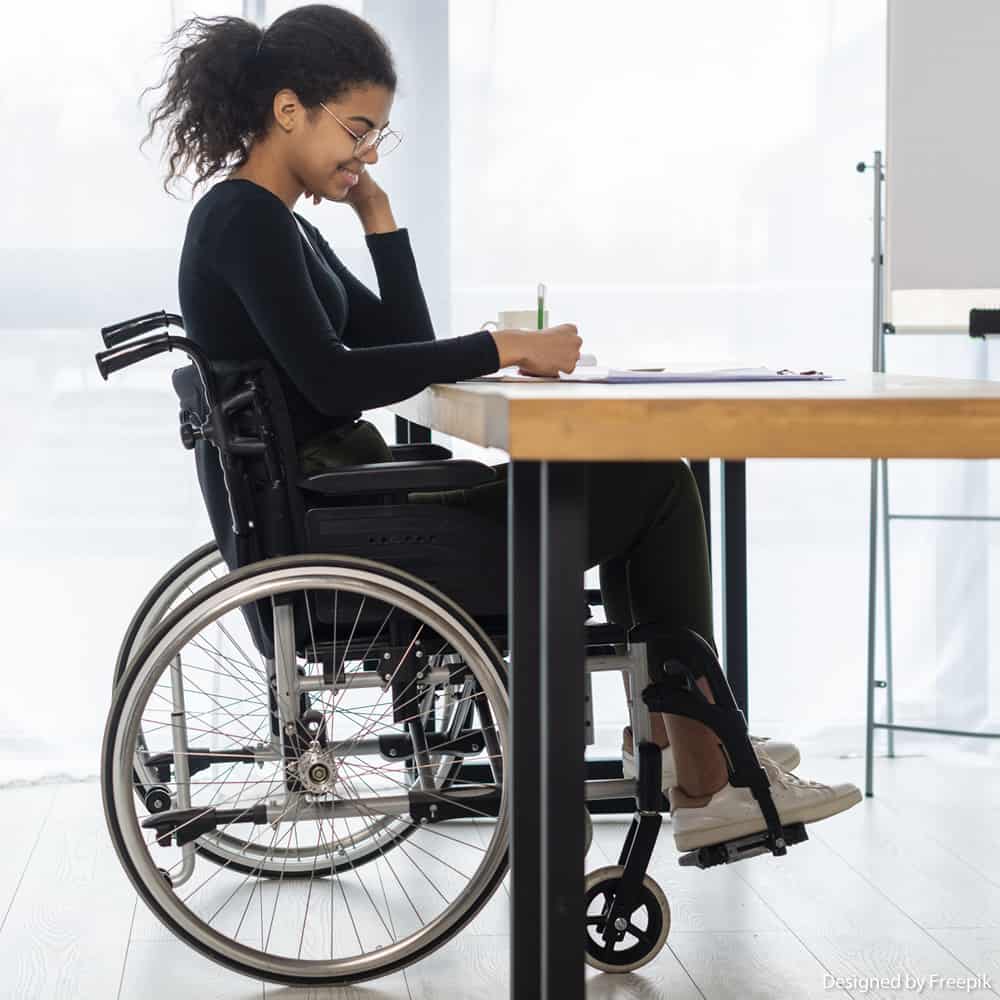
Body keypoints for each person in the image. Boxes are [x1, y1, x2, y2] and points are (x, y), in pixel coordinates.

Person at [148, 3, 861, 852]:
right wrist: (507, 344)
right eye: (359, 129)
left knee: (642, 477)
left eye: (380, 135)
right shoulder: (245, 221)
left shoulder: (275, 223)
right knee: (658, 482)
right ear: (289, 109)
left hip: (344, 511)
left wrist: (378, 217)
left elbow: (403, 347)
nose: (368, 151)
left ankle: (684, 747)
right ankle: (697, 766)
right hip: (349, 532)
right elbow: (334, 380)